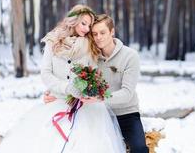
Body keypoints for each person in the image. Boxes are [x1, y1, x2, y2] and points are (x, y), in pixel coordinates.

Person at [0, 5, 126, 153]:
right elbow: (46, 73)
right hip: (57, 100)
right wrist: (65, 88)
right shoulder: (53, 41)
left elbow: (93, 73)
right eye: (83, 23)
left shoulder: (90, 45)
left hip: (85, 106)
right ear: (73, 20)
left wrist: (87, 89)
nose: (87, 29)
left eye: (89, 25)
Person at [45, 14, 149, 153]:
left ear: (112, 32)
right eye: (94, 34)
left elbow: (127, 94)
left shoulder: (130, 56)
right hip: (97, 113)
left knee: (139, 148)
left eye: (102, 32)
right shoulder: (90, 55)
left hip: (125, 113)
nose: (98, 37)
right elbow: (72, 80)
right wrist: (54, 94)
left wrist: (100, 99)